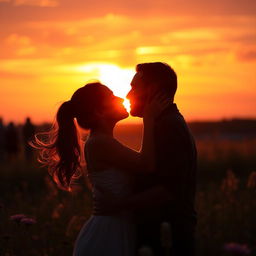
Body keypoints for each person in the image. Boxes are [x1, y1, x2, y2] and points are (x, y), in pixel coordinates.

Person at [32, 82, 169, 256]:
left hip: (114, 227)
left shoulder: (102, 141)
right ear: (99, 112)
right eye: (112, 97)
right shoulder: (99, 143)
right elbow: (146, 164)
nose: (121, 98)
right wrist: (149, 119)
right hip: (108, 234)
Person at [95, 62, 197, 256]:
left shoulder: (169, 126)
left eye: (134, 87)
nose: (128, 95)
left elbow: (167, 190)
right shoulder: (161, 123)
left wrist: (117, 205)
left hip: (168, 239)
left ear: (153, 89)